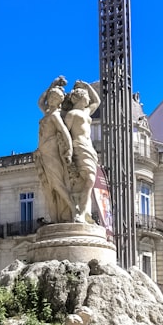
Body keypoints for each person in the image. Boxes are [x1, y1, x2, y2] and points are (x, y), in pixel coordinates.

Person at [35, 76, 74, 222]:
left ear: (59, 102)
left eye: (54, 98)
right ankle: (55, 217)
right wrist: (51, 85)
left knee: (57, 183)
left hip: (52, 152)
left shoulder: (55, 116)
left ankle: (73, 209)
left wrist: (69, 151)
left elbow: (65, 133)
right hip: (43, 153)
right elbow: (40, 101)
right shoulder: (47, 113)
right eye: (50, 97)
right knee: (49, 187)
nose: (50, 100)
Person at [63, 79, 101, 224]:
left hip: (89, 148)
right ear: (79, 98)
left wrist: (87, 86)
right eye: (86, 95)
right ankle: (79, 212)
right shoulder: (72, 114)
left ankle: (84, 212)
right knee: (88, 180)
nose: (88, 98)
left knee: (90, 181)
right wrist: (68, 151)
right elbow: (65, 133)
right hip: (78, 146)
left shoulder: (86, 112)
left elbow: (96, 101)